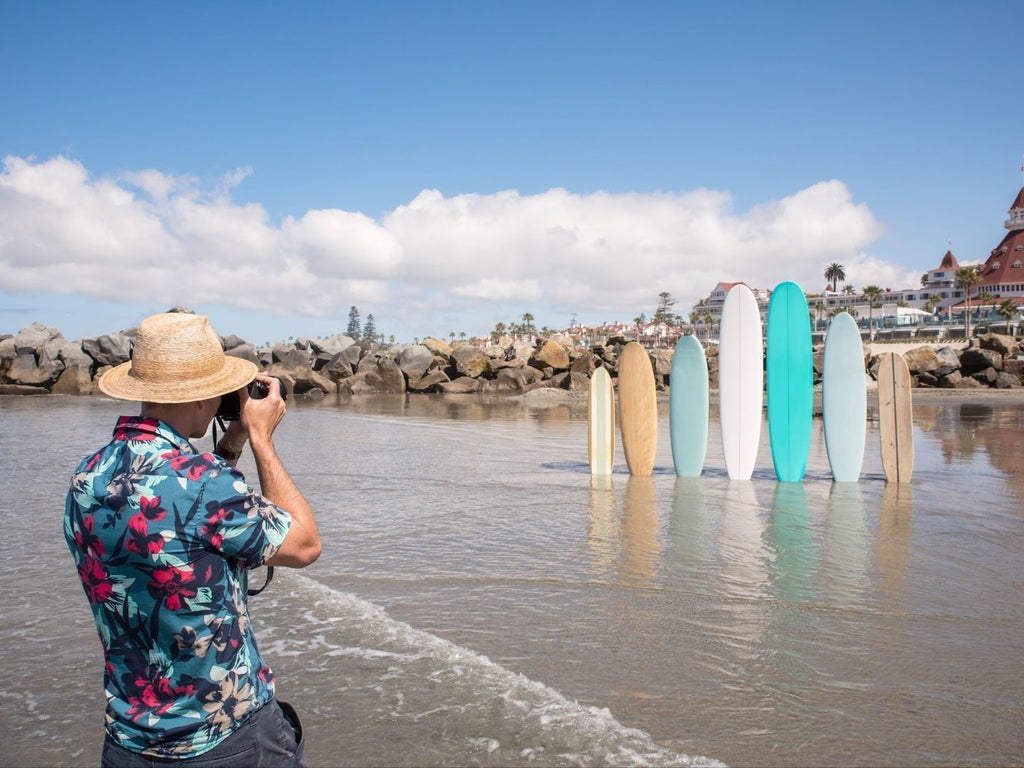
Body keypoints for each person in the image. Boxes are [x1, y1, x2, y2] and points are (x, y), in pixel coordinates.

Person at [64, 312, 321, 767]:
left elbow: (183, 528)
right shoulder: (207, 484)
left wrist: (231, 445)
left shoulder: (87, 476)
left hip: (129, 738)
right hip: (224, 737)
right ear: (207, 393)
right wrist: (261, 439)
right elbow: (303, 546)